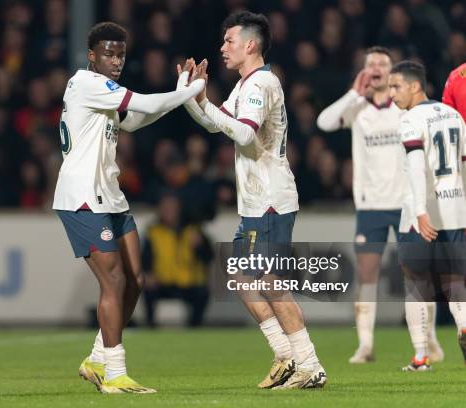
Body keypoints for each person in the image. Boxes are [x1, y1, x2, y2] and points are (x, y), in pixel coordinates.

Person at [53, 22, 204, 394]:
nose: (116, 60)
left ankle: (96, 359)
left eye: (120, 54)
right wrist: (188, 92)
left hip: (110, 193)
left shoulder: (105, 93)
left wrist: (179, 95)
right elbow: (147, 103)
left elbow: (136, 119)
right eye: (108, 53)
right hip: (82, 197)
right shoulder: (87, 84)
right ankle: (115, 375)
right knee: (114, 279)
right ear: (92, 55)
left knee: (136, 279)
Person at [178, 11, 326, 389]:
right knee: (242, 278)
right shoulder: (245, 85)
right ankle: (286, 356)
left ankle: (309, 365)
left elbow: (243, 134)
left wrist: (201, 101)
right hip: (256, 201)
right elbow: (215, 123)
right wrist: (191, 94)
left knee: (271, 280)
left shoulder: (261, 84)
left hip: (271, 199)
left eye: (228, 41)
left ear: (250, 44)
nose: (221, 47)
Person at [316, 47, 443, 364]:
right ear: (364, 71)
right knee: (367, 273)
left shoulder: (405, 108)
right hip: (371, 205)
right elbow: (324, 122)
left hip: (407, 204)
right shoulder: (358, 108)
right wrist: (352, 93)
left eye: (382, 64)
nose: (375, 68)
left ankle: (429, 339)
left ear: (392, 72)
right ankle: (366, 345)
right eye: (370, 63)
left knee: (418, 273)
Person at [389, 60, 466, 371]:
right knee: (455, 282)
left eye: (396, 87)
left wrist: (420, 211)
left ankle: (420, 357)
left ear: (414, 86)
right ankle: (464, 327)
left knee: (415, 282)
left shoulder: (410, 120)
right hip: (457, 212)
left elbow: (416, 168)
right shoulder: (455, 117)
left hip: (421, 215)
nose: (391, 94)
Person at [142, 193, 211, 328]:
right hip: (163, 281)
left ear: (179, 209)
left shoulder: (194, 230)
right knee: (147, 287)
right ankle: (150, 325)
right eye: (165, 208)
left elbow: (208, 257)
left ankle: (195, 327)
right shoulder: (153, 232)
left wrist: (200, 246)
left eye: (172, 208)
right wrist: (148, 274)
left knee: (202, 291)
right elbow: (144, 258)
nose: (168, 211)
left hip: (189, 282)